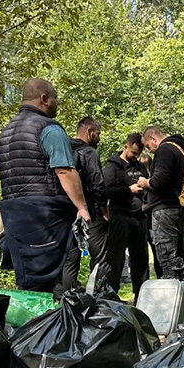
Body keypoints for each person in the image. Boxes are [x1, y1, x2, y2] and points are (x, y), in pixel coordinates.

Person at [0, 78, 90, 292]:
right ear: (44, 99)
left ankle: (33, 323)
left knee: (29, 283)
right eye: (55, 98)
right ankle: (49, 323)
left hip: (14, 215)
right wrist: (82, 207)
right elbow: (64, 170)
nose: (58, 103)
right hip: (45, 215)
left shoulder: (5, 133)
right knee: (50, 283)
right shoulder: (49, 129)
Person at [63, 117, 111, 291]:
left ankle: (67, 297)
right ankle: (100, 296)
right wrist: (104, 209)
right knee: (101, 257)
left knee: (70, 257)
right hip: (91, 210)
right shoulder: (90, 153)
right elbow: (98, 183)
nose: (99, 138)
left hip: (66, 210)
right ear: (90, 132)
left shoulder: (64, 150)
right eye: (98, 134)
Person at [136, 125, 184, 278]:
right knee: (180, 258)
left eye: (148, 146)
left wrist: (144, 183)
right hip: (179, 209)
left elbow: (159, 181)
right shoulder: (181, 150)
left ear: (154, 138)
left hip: (165, 210)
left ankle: (171, 297)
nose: (149, 151)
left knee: (167, 260)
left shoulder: (164, 150)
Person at [103, 133, 149, 297]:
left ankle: (141, 294)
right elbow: (106, 191)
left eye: (138, 154)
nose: (135, 157)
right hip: (120, 216)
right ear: (126, 147)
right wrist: (129, 190)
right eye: (133, 153)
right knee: (116, 258)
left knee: (141, 258)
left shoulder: (140, 166)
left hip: (140, 217)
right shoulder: (113, 167)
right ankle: (112, 294)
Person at [139, 153, 163, 279]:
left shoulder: (142, 181)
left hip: (143, 218)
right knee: (157, 251)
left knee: (142, 253)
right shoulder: (154, 180)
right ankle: (160, 276)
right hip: (152, 219)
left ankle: (143, 281)